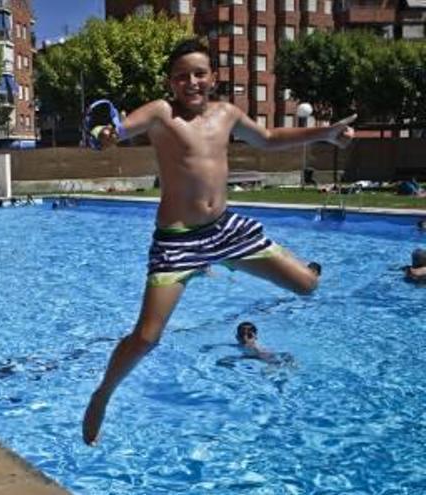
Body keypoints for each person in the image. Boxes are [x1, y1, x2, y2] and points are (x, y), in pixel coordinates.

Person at [81, 38, 355, 445]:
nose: (191, 81)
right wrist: (107, 132)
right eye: (181, 76)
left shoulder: (226, 114)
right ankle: (102, 394)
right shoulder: (161, 113)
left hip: (227, 231)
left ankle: (232, 261)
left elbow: (268, 137)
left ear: (212, 77)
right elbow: (119, 130)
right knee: (146, 338)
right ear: (170, 82)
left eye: (199, 73)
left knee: (308, 285)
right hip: (178, 242)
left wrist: (325, 135)